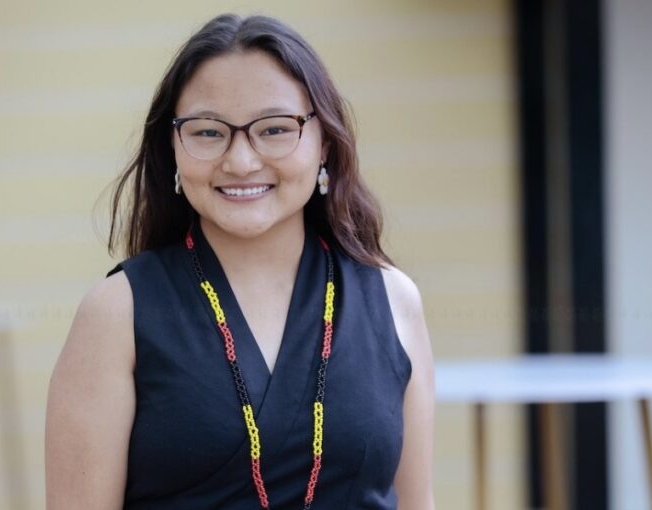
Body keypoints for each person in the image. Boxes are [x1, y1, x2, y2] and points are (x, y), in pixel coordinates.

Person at [46, 13, 434, 510]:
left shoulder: (394, 299)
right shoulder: (116, 313)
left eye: (274, 129)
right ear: (173, 147)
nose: (241, 161)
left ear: (325, 144)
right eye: (209, 133)